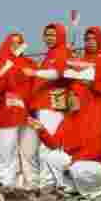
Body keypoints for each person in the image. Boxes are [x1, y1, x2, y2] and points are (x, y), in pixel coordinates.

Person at [29, 83, 101, 199]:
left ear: (84, 98)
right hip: (77, 163)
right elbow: (54, 144)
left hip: (100, 168)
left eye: (75, 96)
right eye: (70, 96)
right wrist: (41, 130)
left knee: (78, 167)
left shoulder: (95, 119)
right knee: (52, 156)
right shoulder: (68, 119)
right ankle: (68, 188)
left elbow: (95, 150)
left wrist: (72, 162)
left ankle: (94, 193)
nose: (71, 100)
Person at [23, 23, 73, 189]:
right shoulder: (50, 54)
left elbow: (58, 73)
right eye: (46, 35)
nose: (49, 38)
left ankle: (50, 182)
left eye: (52, 35)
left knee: (50, 144)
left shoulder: (63, 52)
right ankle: (49, 181)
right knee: (45, 145)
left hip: (52, 105)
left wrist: (35, 73)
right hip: (44, 105)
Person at [0, 33, 34, 191]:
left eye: (19, 43)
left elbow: (35, 84)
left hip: (25, 112)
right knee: (6, 148)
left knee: (26, 151)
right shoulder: (2, 63)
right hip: (6, 112)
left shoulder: (29, 63)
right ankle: (7, 182)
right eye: (13, 43)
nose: (16, 46)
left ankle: (27, 184)